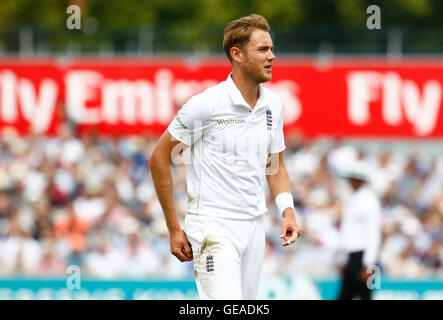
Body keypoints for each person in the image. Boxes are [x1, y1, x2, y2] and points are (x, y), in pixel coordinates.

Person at [149, 14, 301, 300]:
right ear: (237, 54)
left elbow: (275, 164)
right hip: (212, 226)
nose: (272, 56)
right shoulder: (206, 105)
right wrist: (173, 228)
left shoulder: (274, 105)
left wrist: (287, 210)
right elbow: (159, 158)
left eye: (271, 49)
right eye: (263, 49)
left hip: (254, 226)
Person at [337, 161, 383, 300]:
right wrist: (343, 259)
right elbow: (348, 232)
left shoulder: (369, 200)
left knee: (361, 295)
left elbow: (373, 232)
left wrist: (369, 265)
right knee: (350, 294)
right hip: (353, 256)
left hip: (363, 257)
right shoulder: (354, 198)